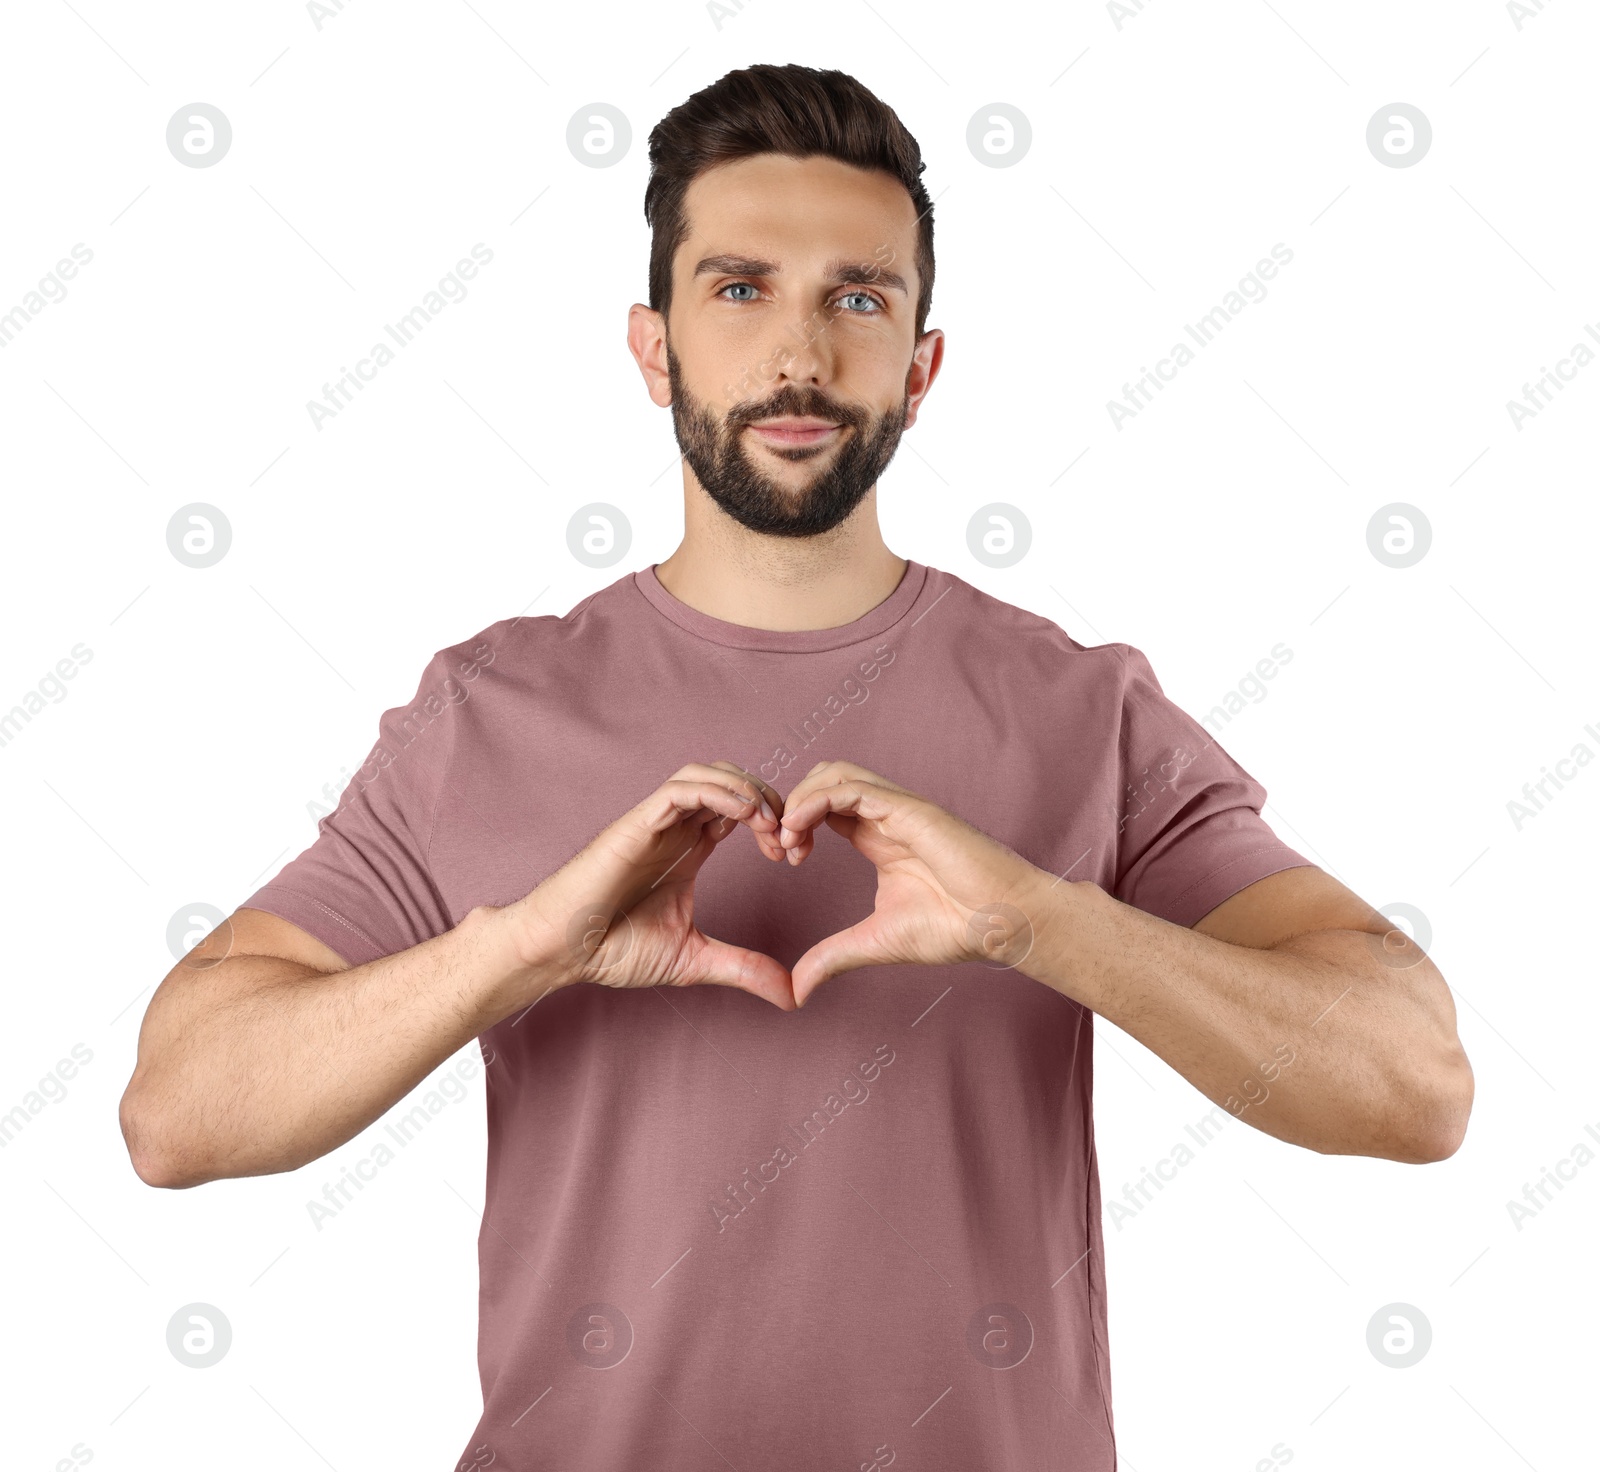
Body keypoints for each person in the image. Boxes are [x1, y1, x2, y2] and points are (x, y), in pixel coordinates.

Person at [119, 63, 1473, 1472]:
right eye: (742, 288)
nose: (802, 354)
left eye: (859, 298)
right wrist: (520, 949)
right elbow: (176, 1113)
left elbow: (1414, 1081)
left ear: (921, 364)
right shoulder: (487, 711)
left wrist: (1039, 921)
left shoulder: (1082, 711)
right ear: (654, 350)